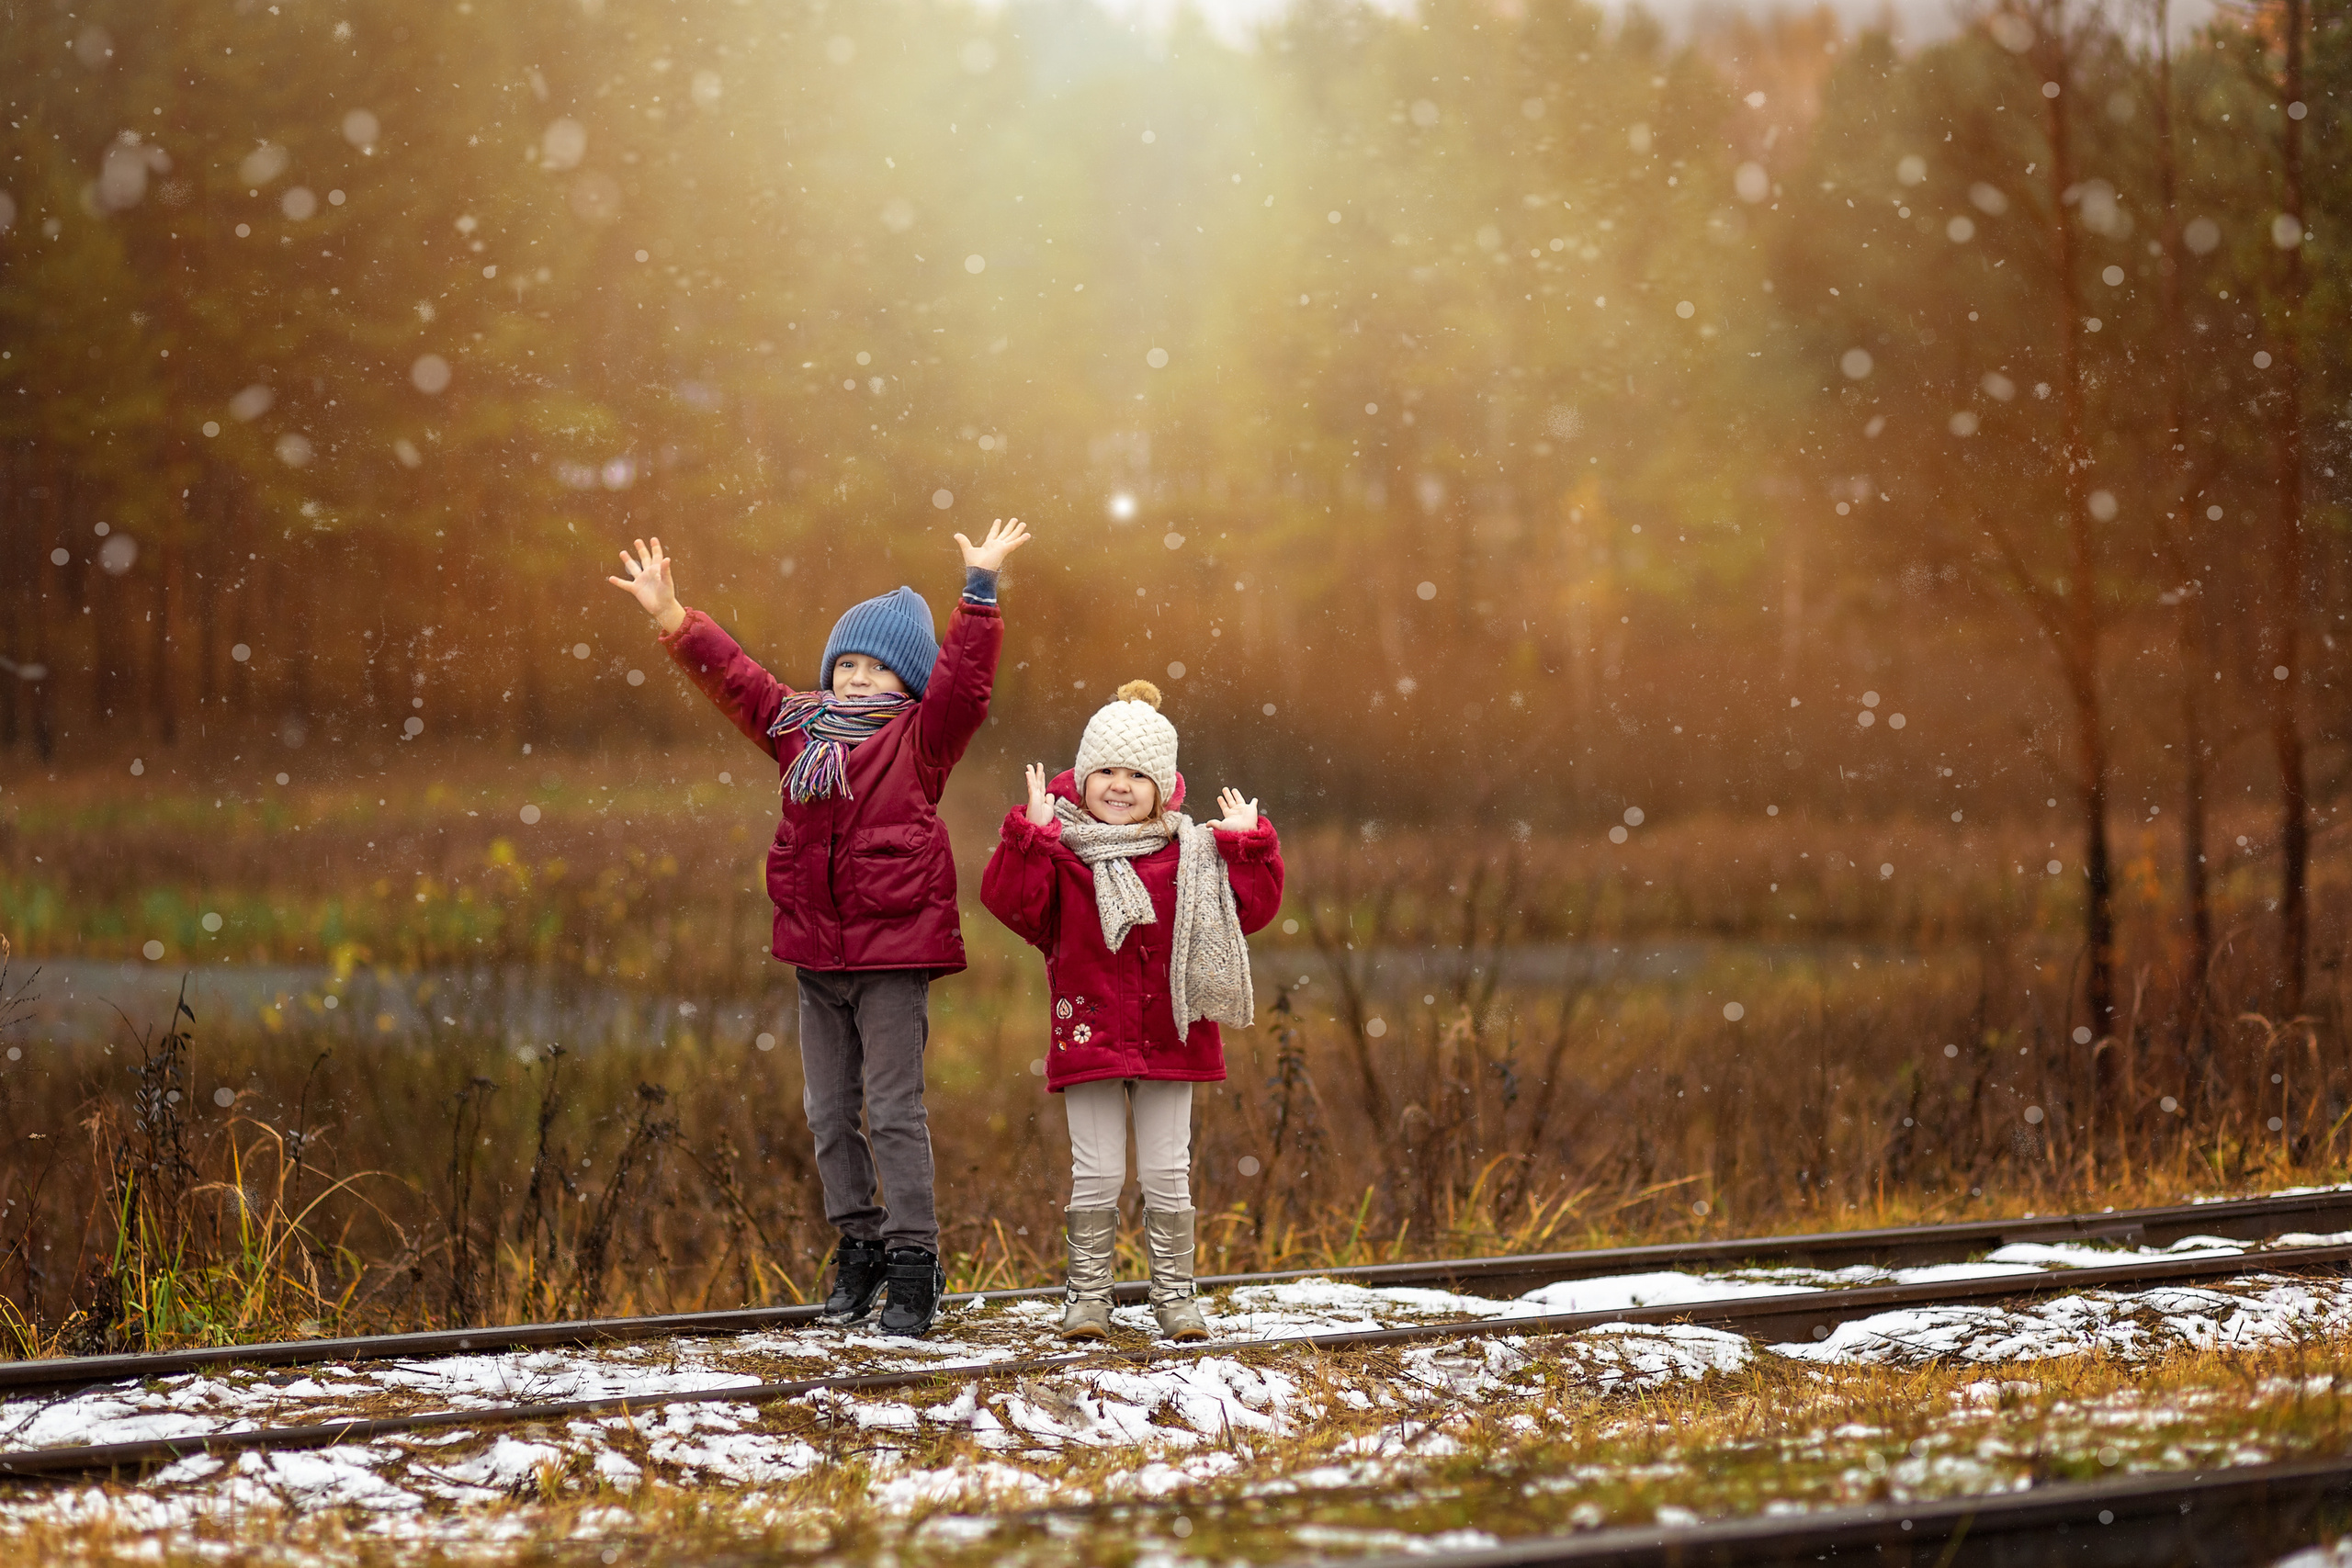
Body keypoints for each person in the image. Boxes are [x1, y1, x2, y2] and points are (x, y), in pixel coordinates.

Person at [606, 519, 1031, 1337]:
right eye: (847, 664)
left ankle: (914, 1261)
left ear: (908, 682)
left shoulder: (922, 740)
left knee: (894, 1110)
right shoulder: (798, 729)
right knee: (828, 1114)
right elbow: (736, 679)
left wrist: (979, 591)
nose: (858, 679)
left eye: (877, 668)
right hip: (817, 956)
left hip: (892, 959)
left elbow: (966, 684)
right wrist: (672, 617)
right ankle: (859, 1246)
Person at [979, 680, 1283, 1341]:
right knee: (1096, 1171)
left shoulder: (1194, 854)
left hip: (1172, 1032)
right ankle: (1088, 1298)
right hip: (1089, 1032)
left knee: (1167, 1170)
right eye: (1107, 772)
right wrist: (1030, 836)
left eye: (1138, 775)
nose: (1120, 786)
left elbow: (1252, 911)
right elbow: (1013, 906)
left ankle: (1175, 1297)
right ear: (1084, 778)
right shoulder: (1062, 854)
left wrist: (1246, 847)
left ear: (1164, 787)